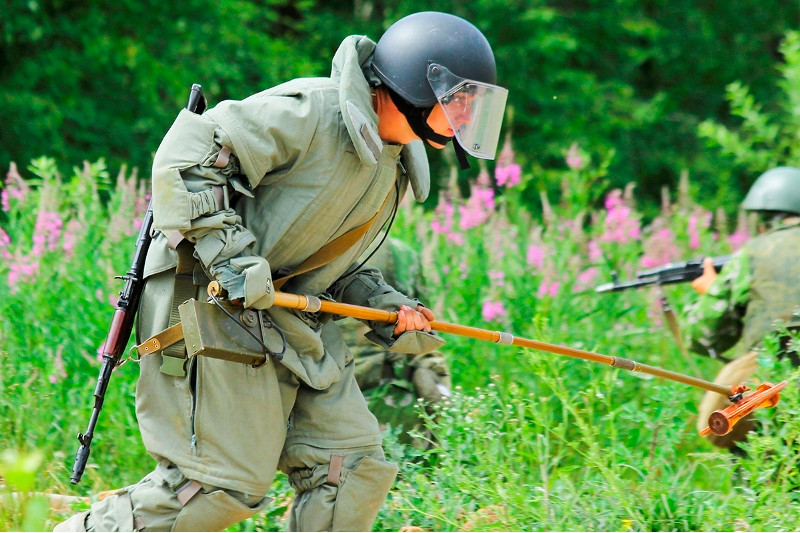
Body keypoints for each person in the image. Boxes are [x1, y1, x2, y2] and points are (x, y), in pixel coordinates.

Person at [55, 11, 507, 532]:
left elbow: (337, 267)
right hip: (208, 300)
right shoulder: (311, 111)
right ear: (416, 85)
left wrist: (386, 306)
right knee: (217, 485)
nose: (466, 118)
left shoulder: (394, 162)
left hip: (289, 318)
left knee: (351, 469)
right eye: (459, 102)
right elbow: (187, 157)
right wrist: (233, 259)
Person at [686, 166, 800, 450]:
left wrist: (712, 290)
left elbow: (703, 337)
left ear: (765, 222)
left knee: (751, 460)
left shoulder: (753, 254)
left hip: (774, 392)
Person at [343, 237, 451, 446]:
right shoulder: (400, 253)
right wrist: (436, 378)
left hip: (323, 398)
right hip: (393, 400)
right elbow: (424, 330)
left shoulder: (314, 248)